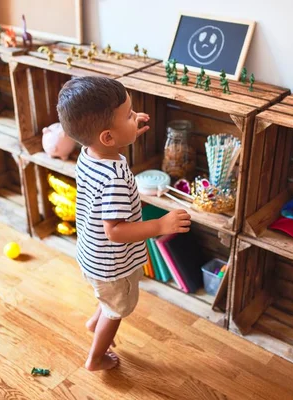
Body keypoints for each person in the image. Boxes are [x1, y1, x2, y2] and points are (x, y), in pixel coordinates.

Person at [57, 76, 192, 371]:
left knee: (108, 298)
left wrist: (129, 128)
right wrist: (160, 226)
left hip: (92, 255)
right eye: (129, 115)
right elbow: (115, 231)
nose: (136, 117)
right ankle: (96, 357)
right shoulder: (115, 179)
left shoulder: (89, 152)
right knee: (117, 309)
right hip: (112, 262)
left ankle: (95, 321)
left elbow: (109, 144)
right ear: (108, 136)